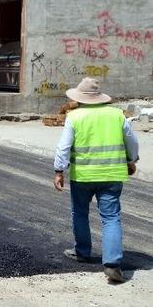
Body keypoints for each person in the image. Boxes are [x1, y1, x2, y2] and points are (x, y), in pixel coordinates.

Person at [53, 77, 140, 284]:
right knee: (110, 217)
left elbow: (63, 147)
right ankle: (112, 264)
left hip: (82, 176)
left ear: (80, 98)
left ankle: (82, 251)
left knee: (80, 213)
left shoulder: (74, 117)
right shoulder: (117, 115)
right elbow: (132, 142)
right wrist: (131, 160)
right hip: (112, 175)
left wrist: (59, 170)